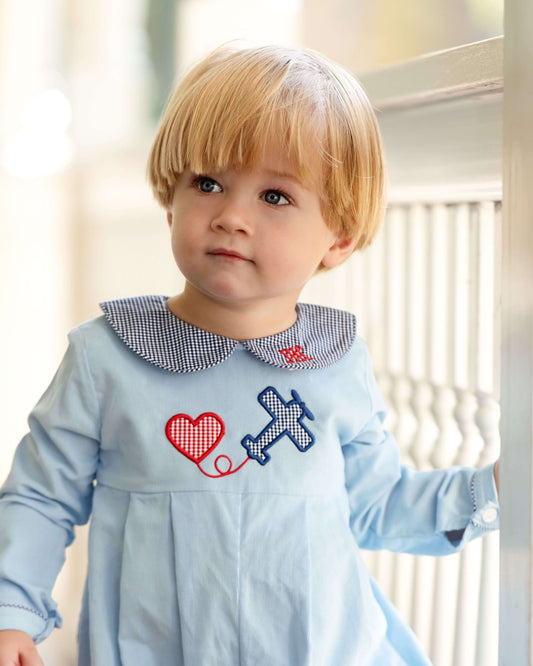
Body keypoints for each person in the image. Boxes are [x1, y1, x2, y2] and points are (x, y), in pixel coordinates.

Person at [0, 43, 499, 666]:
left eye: (275, 197)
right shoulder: (107, 359)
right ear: (170, 194)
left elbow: (377, 506)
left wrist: (494, 489)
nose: (232, 216)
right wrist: (12, 615)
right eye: (208, 183)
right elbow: (41, 496)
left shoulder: (335, 365)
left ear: (339, 237)